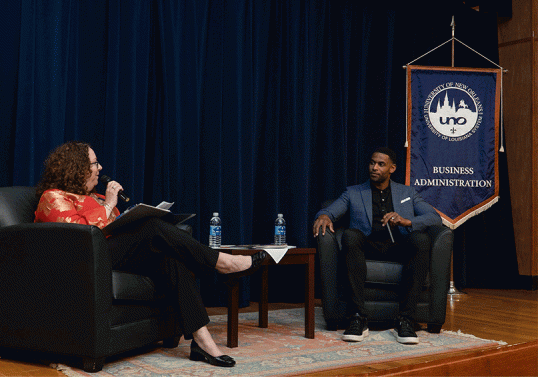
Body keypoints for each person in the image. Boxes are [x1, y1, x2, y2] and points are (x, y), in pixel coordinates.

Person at [34, 141, 267, 367]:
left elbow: (115, 229)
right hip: (86, 260)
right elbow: (77, 235)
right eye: (95, 163)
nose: (100, 168)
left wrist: (125, 213)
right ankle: (222, 262)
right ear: (77, 168)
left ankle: (202, 341)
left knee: (170, 256)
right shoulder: (54, 196)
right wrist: (110, 205)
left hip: (114, 255)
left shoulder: (98, 197)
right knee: (152, 228)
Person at [312, 147, 441, 344]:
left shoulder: (408, 193)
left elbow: (434, 218)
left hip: (398, 245)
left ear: (392, 168)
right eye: (372, 163)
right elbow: (330, 211)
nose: (375, 168)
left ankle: (405, 319)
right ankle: (358, 318)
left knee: (421, 240)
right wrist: (323, 215)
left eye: (381, 164)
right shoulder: (354, 192)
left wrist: (407, 221)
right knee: (350, 235)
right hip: (368, 245)